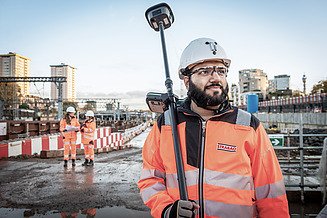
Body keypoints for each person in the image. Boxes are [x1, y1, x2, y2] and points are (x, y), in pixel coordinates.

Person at [138, 38, 289, 217]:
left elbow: (271, 193)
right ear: (186, 80)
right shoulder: (167, 124)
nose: (216, 77)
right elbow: (150, 180)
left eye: (221, 71)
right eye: (204, 71)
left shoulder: (248, 126)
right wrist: (166, 209)